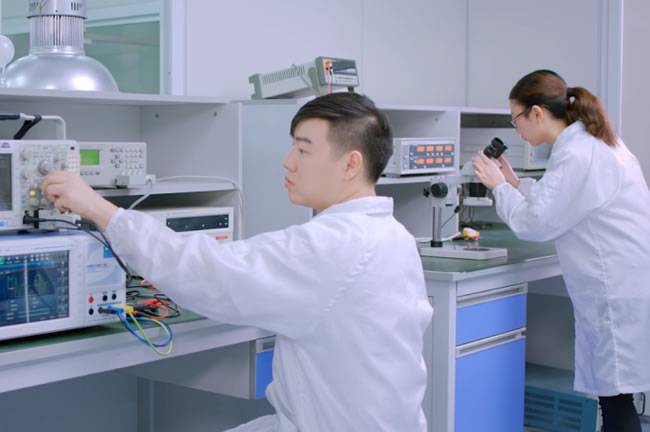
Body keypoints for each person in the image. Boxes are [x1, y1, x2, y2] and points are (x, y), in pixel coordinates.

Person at [41, 92, 433, 432]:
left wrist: (99, 208)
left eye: (303, 150)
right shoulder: (391, 235)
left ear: (350, 164)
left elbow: (206, 272)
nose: (288, 162)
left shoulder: (334, 244)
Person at [473, 69, 650, 432]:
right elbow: (560, 198)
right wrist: (515, 183)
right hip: (626, 280)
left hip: (616, 288)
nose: (517, 130)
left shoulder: (578, 153)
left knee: (616, 399)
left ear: (537, 113)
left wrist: (498, 188)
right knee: (616, 396)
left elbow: (535, 224)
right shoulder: (592, 142)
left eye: (516, 119)